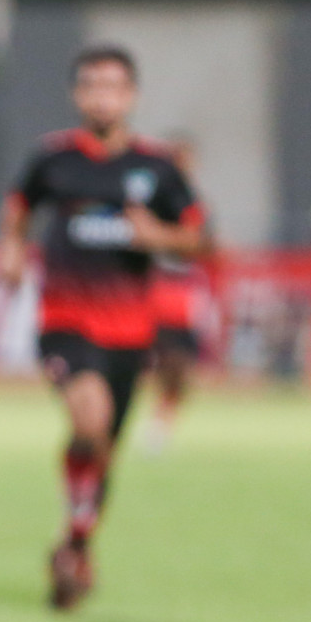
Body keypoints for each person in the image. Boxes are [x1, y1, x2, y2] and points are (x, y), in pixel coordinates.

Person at [0, 46, 204, 608]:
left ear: (131, 95)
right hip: (65, 321)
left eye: (113, 86)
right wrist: (10, 249)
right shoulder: (54, 159)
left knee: (103, 447)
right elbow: (18, 207)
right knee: (92, 422)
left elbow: (199, 237)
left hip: (132, 335)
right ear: (76, 94)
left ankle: (76, 545)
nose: (102, 96)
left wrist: (158, 237)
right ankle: (77, 545)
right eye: (91, 85)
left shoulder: (158, 169)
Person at [142, 135, 213, 455]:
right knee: (148, 356)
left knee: (179, 363)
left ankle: (163, 419)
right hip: (151, 286)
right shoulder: (148, 201)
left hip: (184, 289)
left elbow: (206, 244)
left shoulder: (196, 204)